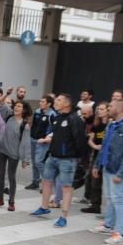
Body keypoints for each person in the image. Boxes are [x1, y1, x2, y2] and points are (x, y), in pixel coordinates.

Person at [85, 99, 123, 245]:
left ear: (120, 108)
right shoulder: (111, 124)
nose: (109, 108)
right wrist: (97, 165)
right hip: (108, 167)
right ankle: (108, 225)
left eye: (111, 106)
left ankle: (121, 233)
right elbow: (105, 146)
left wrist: (121, 173)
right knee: (110, 198)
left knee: (119, 200)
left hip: (119, 171)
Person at [31, 94, 86, 228]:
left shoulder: (75, 119)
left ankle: (63, 217)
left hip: (67, 159)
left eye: (59, 100)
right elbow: (55, 135)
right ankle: (44, 207)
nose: (55, 102)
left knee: (66, 187)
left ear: (67, 104)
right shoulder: (57, 117)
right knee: (46, 181)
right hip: (53, 156)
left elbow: (80, 140)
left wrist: (79, 159)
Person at [0, 100, 32, 211]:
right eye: (16, 106)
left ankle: (11, 201)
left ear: (24, 110)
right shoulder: (9, 117)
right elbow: (1, 106)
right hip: (1, 149)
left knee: (11, 177)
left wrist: (26, 159)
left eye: (19, 106)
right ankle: (0, 198)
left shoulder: (25, 125)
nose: (16, 108)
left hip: (14, 153)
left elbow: (26, 143)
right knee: (0, 175)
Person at [80, 102, 109, 214]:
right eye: (98, 109)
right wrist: (96, 146)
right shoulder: (96, 125)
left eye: (101, 109)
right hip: (97, 156)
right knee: (93, 180)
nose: (99, 111)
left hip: (107, 158)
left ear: (108, 110)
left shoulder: (111, 124)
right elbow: (90, 141)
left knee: (104, 183)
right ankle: (95, 205)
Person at [26, 95, 55, 191]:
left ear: (49, 104)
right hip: (33, 139)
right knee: (34, 162)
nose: (40, 103)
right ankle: (35, 182)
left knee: (39, 162)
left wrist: (47, 138)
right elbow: (33, 124)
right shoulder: (38, 111)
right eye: (40, 101)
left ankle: (46, 184)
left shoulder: (52, 114)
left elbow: (54, 130)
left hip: (43, 142)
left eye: (43, 102)